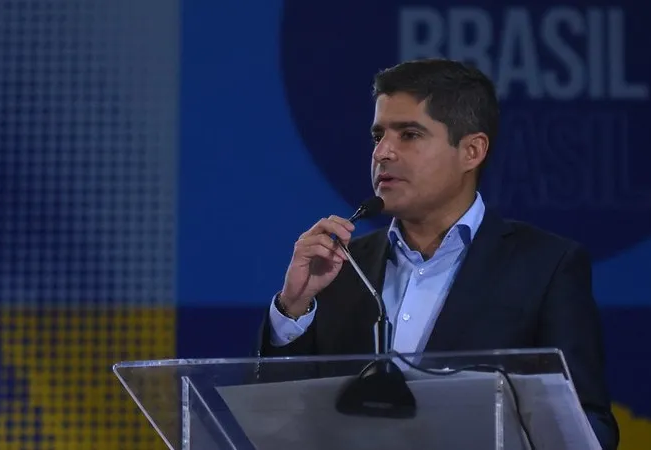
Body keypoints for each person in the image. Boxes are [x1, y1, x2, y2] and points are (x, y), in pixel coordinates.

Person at [256, 58, 619, 449]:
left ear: (471, 151)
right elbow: (278, 417)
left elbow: (589, 423)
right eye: (378, 136)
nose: (383, 153)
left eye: (409, 134)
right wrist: (294, 306)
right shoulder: (340, 265)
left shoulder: (545, 267)